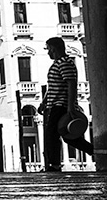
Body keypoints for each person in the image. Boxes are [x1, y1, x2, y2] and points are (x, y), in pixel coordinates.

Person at [37, 37, 93, 172]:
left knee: (52, 134)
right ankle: (94, 150)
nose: (48, 53)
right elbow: (52, 87)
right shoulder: (58, 63)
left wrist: (70, 107)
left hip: (61, 105)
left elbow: (71, 84)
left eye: (49, 49)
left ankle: (54, 165)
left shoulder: (65, 63)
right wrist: (44, 102)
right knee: (68, 136)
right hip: (55, 104)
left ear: (54, 49)